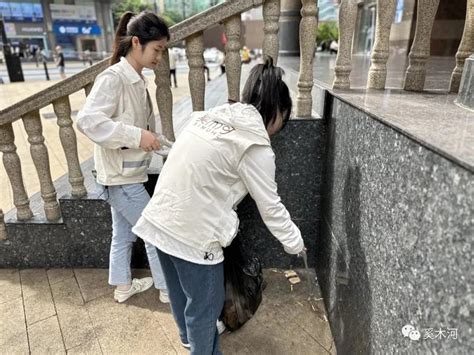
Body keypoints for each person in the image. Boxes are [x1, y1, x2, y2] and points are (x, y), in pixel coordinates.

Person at [132, 58, 306, 354]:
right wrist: (296, 244)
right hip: (193, 236)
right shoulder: (255, 146)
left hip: (159, 221)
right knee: (205, 308)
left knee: (180, 297)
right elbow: (271, 207)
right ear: (277, 111)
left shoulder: (206, 117)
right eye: (282, 121)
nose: (278, 129)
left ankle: (188, 341)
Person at [76, 11, 171, 304]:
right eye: (157, 49)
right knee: (154, 232)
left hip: (126, 175)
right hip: (120, 179)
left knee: (124, 234)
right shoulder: (114, 78)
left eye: (162, 51)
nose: (160, 57)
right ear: (136, 42)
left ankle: (122, 287)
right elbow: (87, 121)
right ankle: (169, 291)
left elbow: (145, 133)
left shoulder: (136, 79)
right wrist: (136, 136)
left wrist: (167, 146)